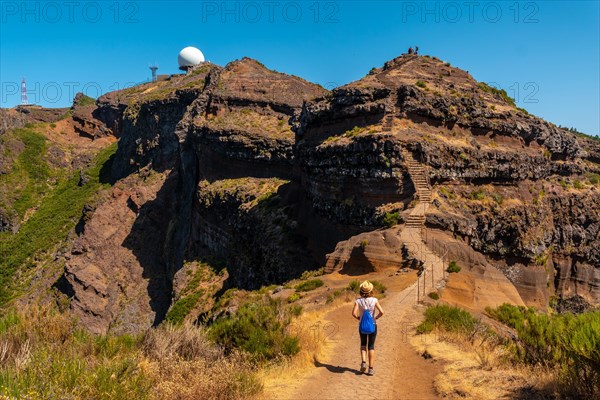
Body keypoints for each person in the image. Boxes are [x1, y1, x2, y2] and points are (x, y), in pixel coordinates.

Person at [352, 281, 384, 376]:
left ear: (361, 291)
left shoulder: (358, 301)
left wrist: (359, 318)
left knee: (363, 344)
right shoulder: (374, 300)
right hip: (372, 325)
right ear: (371, 290)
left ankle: (363, 362)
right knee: (371, 346)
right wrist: (375, 318)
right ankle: (370, 369)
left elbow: (353, 313)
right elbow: (382, 312)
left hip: (362, 325)